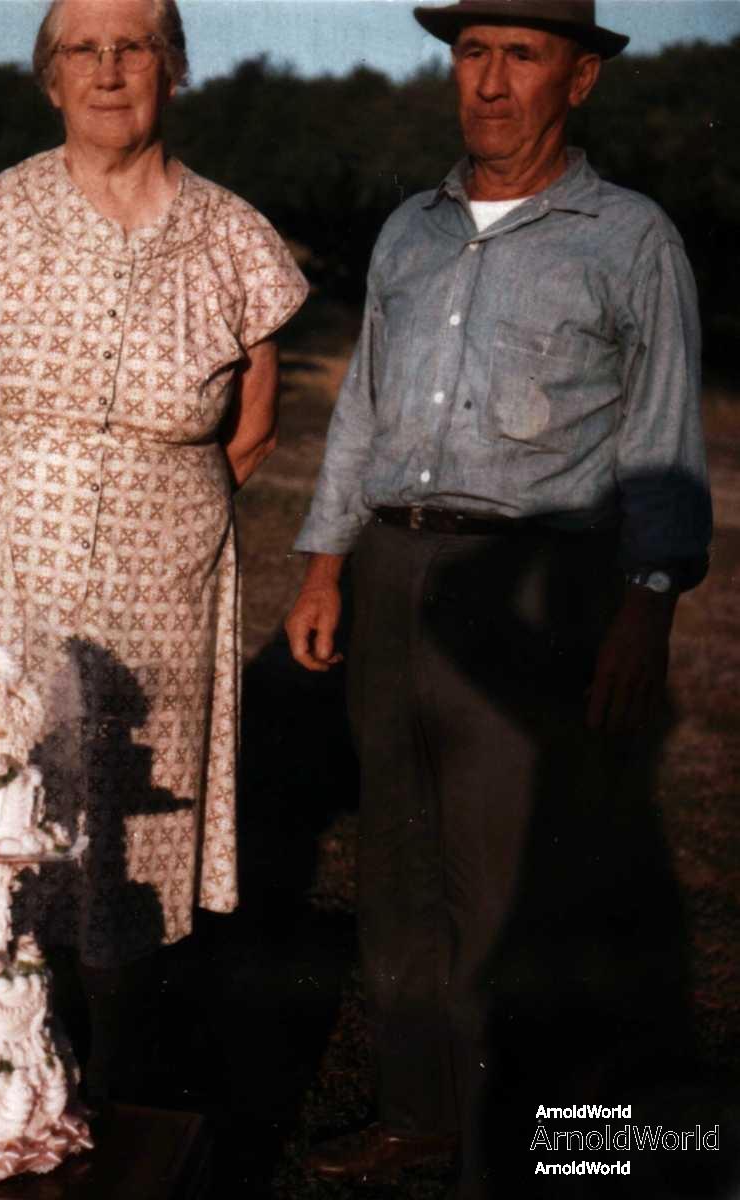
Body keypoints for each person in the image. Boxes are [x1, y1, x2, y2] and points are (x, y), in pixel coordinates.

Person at [285, 1, 711, 1196]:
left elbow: (660, 439)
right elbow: (361, 410)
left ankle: (502, 1148)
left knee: (504, 885)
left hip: (535, 585)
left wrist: (645, 605)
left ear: (577, 80)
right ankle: (414, 1117)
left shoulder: (628, 238)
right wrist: (322, 564)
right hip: (391, 569)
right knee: (395, 866)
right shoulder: (408, 230)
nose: (489, 79)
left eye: (521, 55)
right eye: (471, 51)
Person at [0, 0, 307, 1103]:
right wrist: (6, 512)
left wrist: (154, 512)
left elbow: (251, 431)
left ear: (174, 69)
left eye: (132, 46)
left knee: (126, 827)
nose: (108, 71)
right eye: (81, 50)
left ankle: (111, 1097)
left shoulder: (237, 238)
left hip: (158, 589)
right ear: (49, 79)